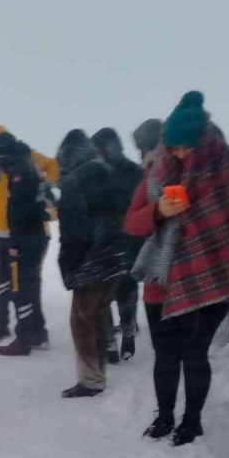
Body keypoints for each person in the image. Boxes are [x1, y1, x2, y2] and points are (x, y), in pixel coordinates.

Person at [126, 91, 229, 445]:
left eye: (183, 148)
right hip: (161, 283)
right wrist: (159, 211)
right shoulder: (154, 178)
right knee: (165, 356)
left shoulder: (227, 175)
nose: (176, 155)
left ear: (202, 143)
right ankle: (164, 417)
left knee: (194, 354)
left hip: (211, 280)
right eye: (171, 147)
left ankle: (191, 421)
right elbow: (131, 225)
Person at [56, 130, 131, 398]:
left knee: (81, 320)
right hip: (117, 256)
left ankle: (91, 380)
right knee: (99, 314)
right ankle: (98, 372)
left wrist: (69, 268)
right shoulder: (109, 172)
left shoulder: (73, 183)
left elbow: (72, 234)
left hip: (91, 259)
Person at [0, 126, 59, 342]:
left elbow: (53, 166)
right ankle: (2, 325)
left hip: (31, 231)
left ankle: (36, 331)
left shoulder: (27, 156)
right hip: (3, 234)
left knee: (29, 282)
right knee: (4, 283)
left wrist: (45, 186)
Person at [91, 127, 144, 363]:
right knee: (103, 292)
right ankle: (110, 343)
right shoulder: (95, 173)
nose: (97, 154)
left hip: (129, 238)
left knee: (126, 290)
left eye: (99, 149)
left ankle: (129, 331)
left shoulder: (133, 172)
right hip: (103, 240)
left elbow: (142, 204)